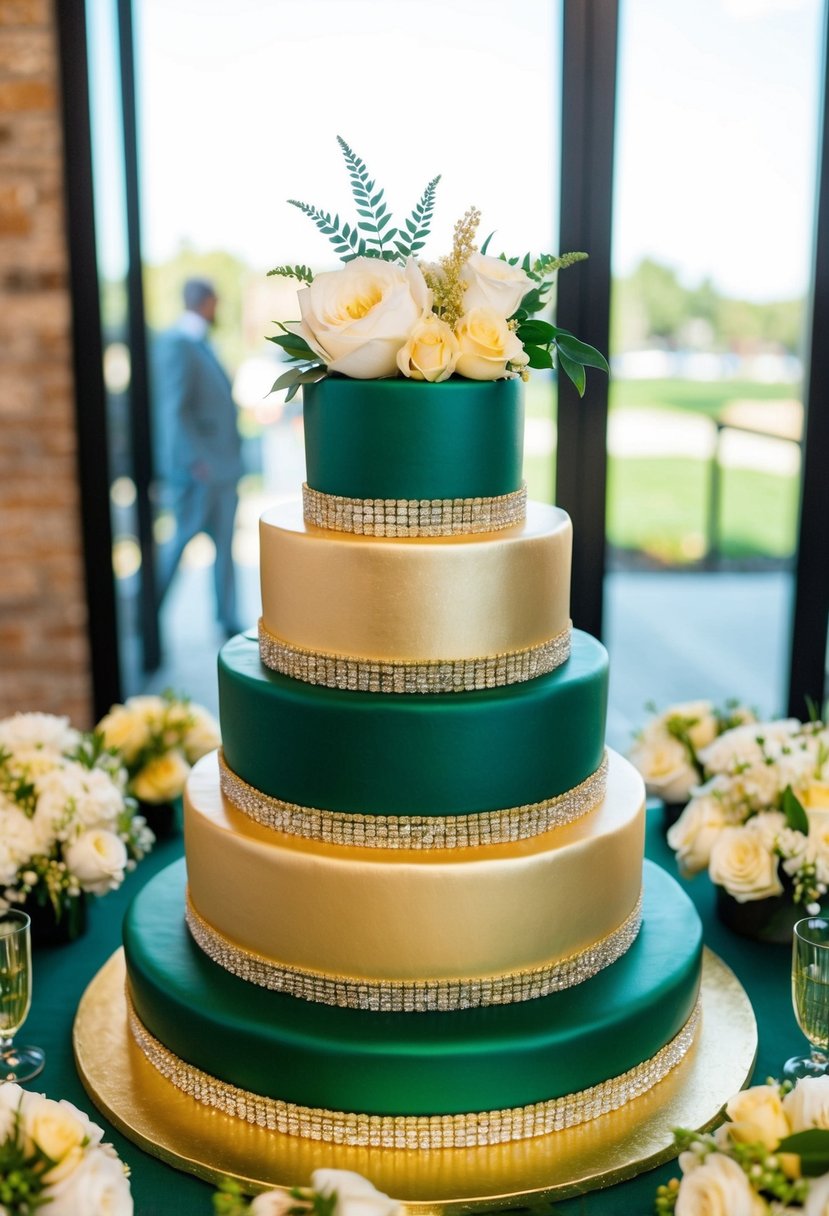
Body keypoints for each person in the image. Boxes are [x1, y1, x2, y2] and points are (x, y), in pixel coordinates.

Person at [153, 278, 243, 638]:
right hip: (202, 471)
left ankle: (227, 618)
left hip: (223, 469)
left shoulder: (201, 343)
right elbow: (172, 410)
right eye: (215, 303)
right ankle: (147, 614)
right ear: (206, 302)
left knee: (225, 551)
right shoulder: (177, 344)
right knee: (178, 544)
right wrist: (195, 463)